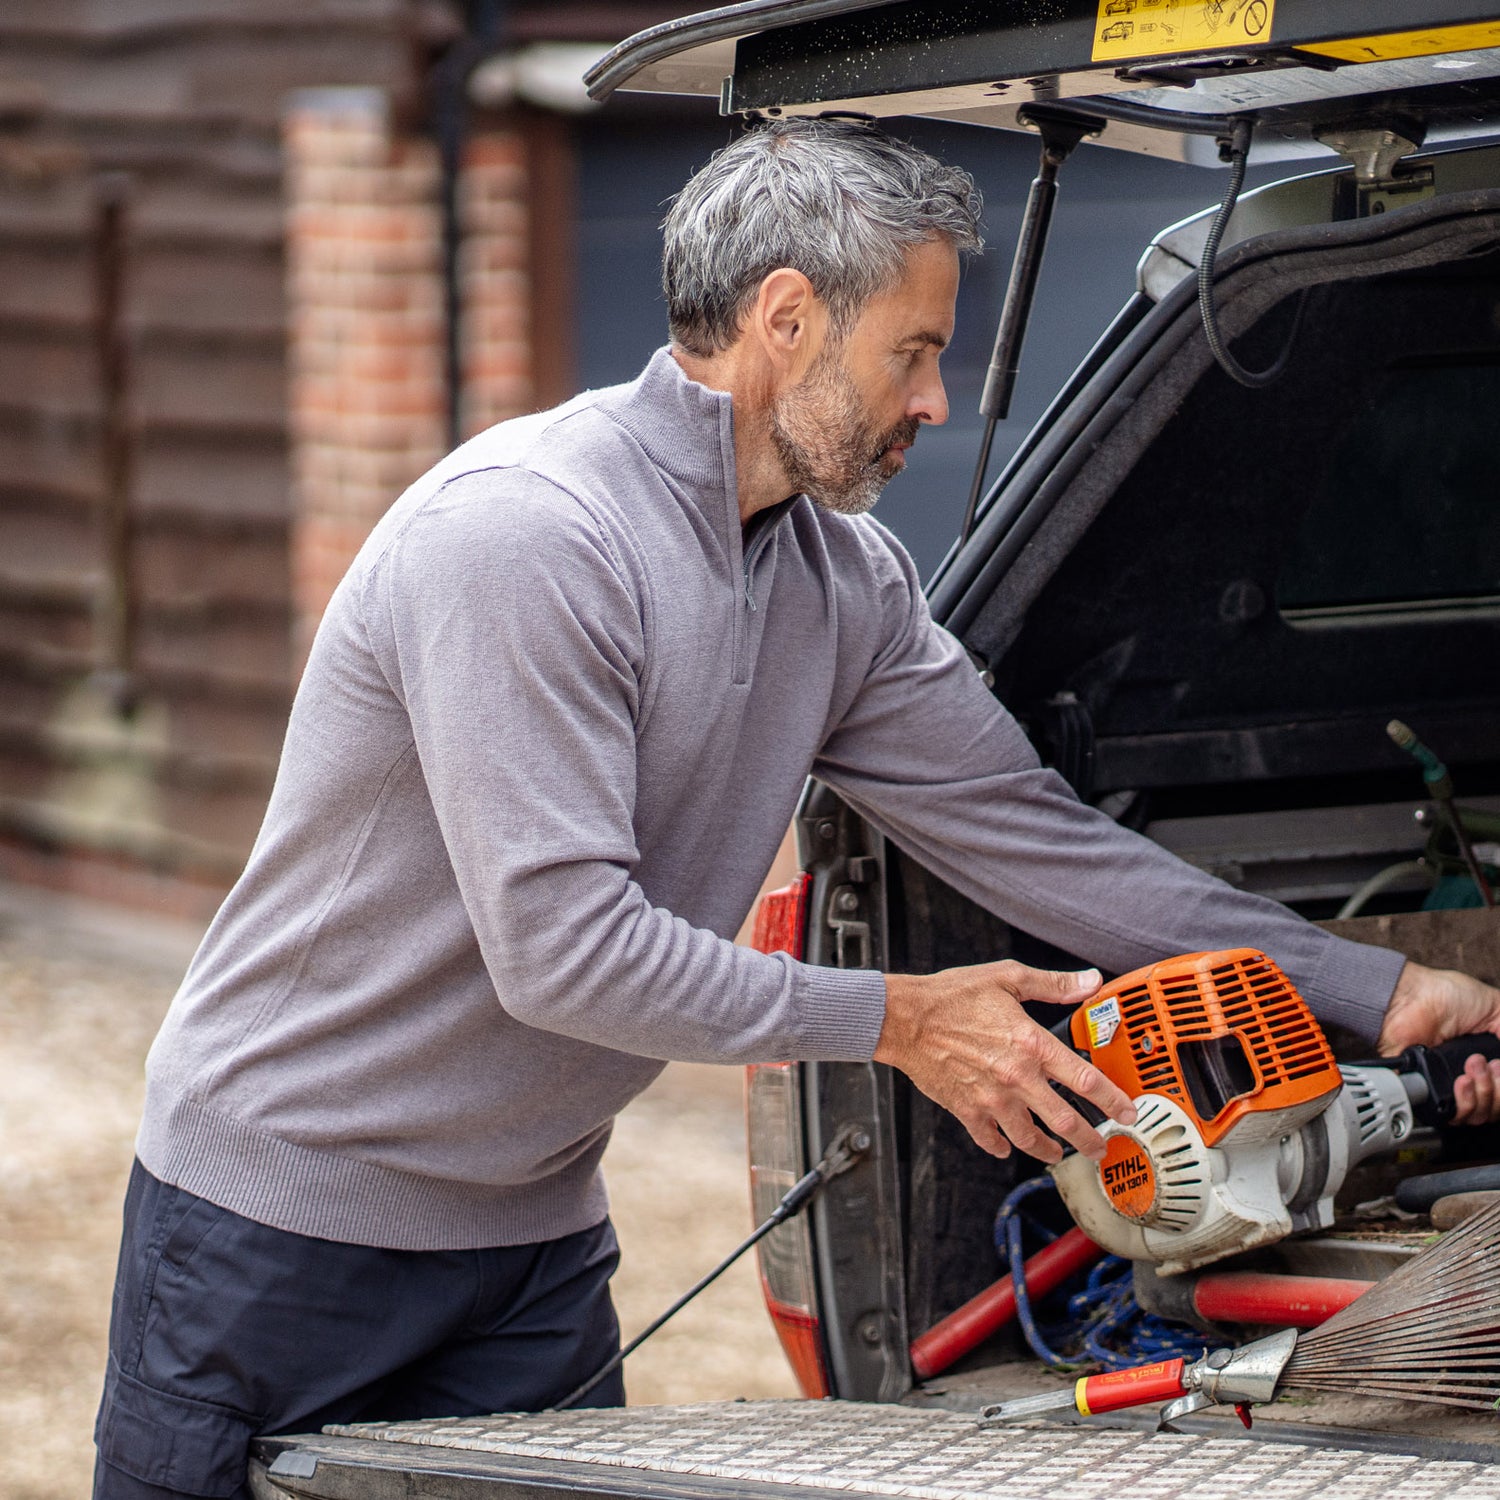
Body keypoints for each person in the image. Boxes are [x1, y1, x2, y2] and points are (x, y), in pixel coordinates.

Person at [95, 119, 1500, 1499]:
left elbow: (1036, 838)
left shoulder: (844, 583)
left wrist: (1373, 991)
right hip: (276, 1230)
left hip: (529, 1249)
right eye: (914, 349)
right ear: (785, 319)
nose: (935, 400)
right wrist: (897, 1018)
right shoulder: (528, 540)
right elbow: (564, 951)